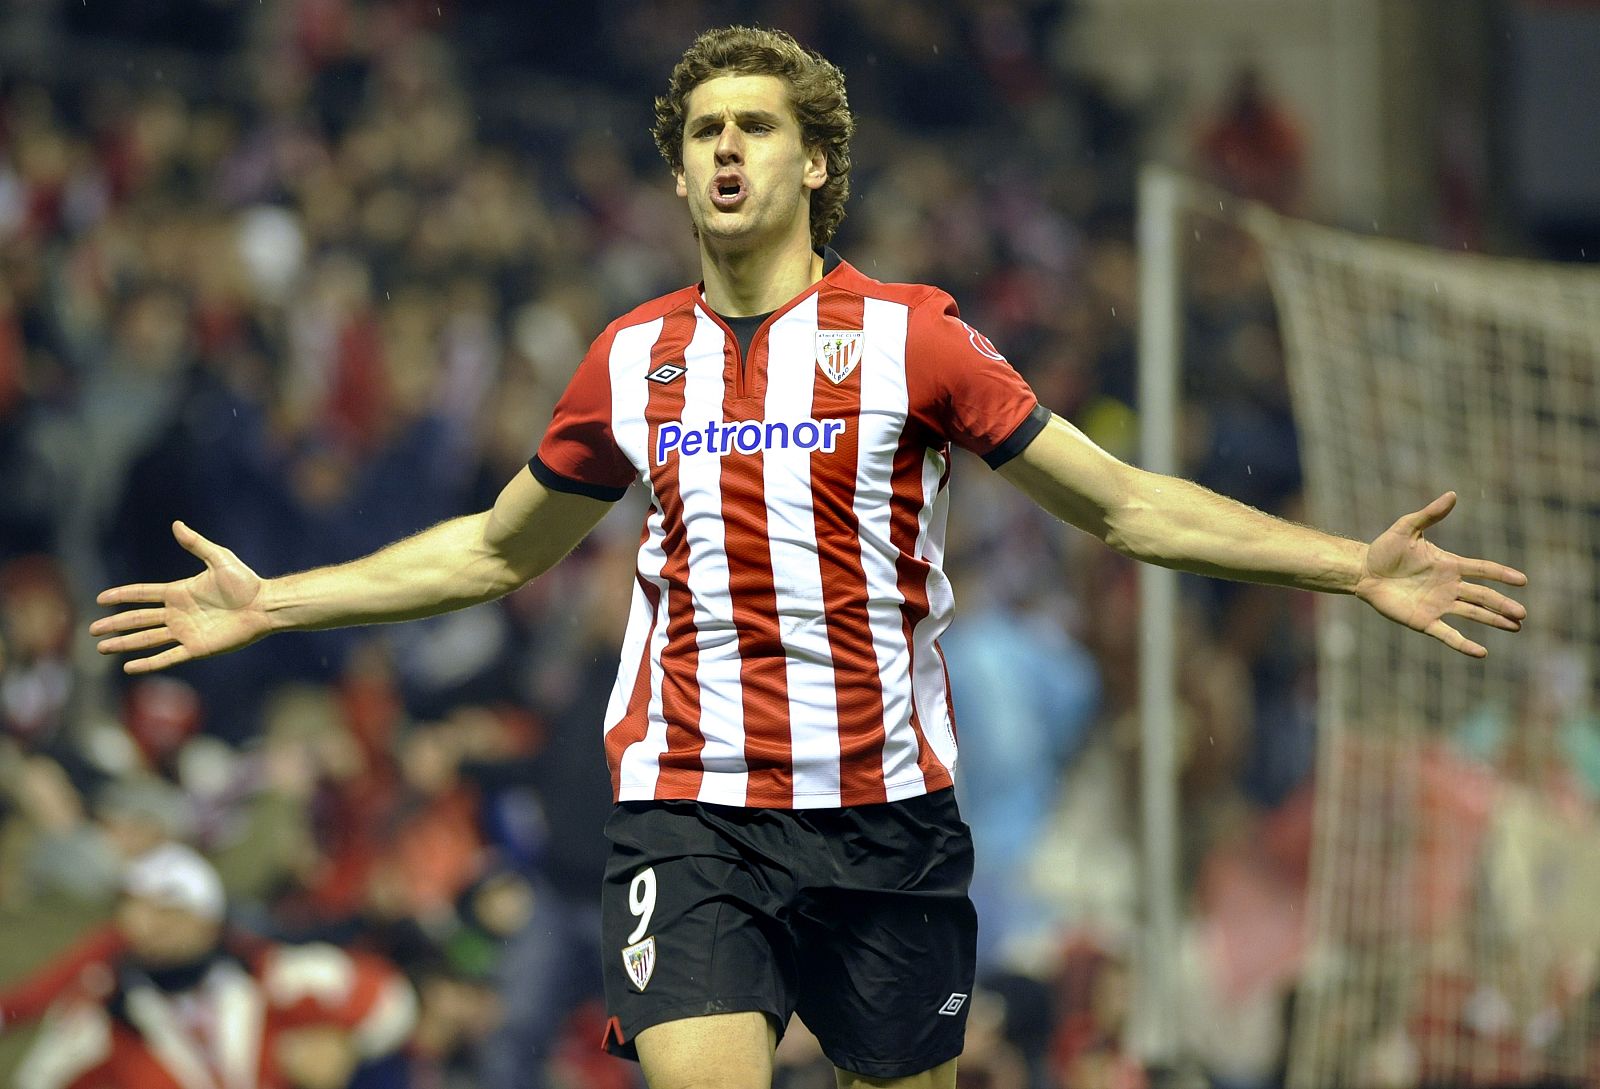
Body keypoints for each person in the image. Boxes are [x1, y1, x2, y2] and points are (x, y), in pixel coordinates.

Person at [89, 25, 1528, 1089]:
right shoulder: (632, 360)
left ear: (814, 160)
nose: (723, 148)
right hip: (687, 812)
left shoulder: (916, 339)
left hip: (887, 823)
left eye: (754, 126)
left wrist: (1348, 564)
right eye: (701, 128)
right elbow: (490, 549)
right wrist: (276, 601)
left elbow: (1125, 507)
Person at [10, 842, 416, 1089]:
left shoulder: (269, 975)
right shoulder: (103, 1012)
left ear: (208, 920)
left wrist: (340, 1045)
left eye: (169, 910)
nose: (149, 925)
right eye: (137, 908)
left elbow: (391, 1001)